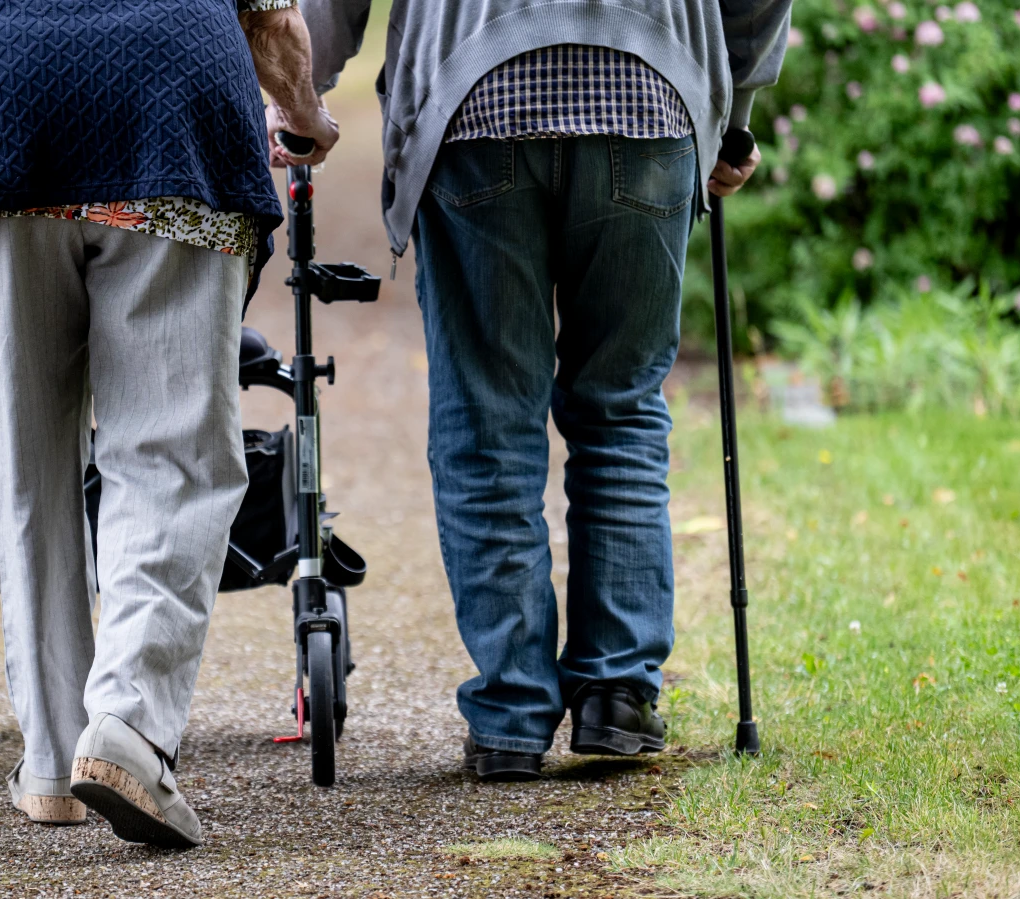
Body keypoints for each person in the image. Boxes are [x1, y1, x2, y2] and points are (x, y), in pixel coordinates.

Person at [287, 0, 789, 780]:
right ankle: (617, 691)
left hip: (474, 90)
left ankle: (512, 712)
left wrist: (300, 94)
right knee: (621, 404)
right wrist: (736, 108)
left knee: (486, 419)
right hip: (650, 89)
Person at [0, 0, 338, 848]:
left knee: (30, 466)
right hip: (173, 115)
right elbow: (273, 19)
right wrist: (303, 113)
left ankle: (53, 763)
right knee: (173, 454)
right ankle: (126, 723)